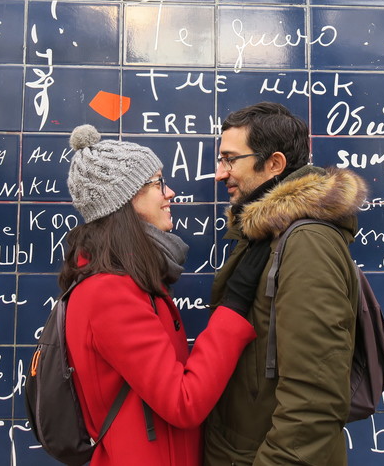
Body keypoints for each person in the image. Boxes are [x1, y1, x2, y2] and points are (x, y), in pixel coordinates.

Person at [61, 124, 271, 466]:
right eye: (158, 183)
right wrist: (233, 306)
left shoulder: (129, 280)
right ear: (125, 200)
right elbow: (183, 402)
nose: (170, 192)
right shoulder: (110, 291)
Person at [204, 102, 368, 466]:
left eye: (230, 159)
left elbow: (315, 397)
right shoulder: (264, 236)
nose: (220, 174)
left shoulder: (307, 243)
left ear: (275, 164)